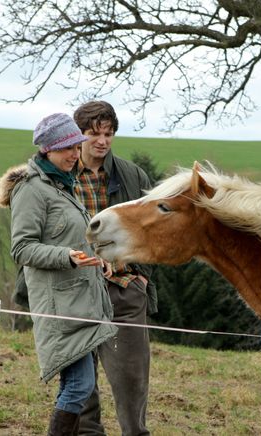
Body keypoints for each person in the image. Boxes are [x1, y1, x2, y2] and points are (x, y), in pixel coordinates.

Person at [0, 113, 117, 436]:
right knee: (79, 386)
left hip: (82, 302)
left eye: (76, 148)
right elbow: (22, 249)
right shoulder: (31, 189)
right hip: (59, 306)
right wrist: (67, 257)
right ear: (47, 150)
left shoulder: (64, 184)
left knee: (79, 385)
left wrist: (97, 259)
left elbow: (72, 238)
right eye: (67, 149)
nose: (74, 155)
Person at [73, 101, 156, 436]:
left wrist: (138, 275)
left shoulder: (132, 175)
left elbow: (152, 229)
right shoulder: (60, 174)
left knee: (132, 381)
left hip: (124, 290)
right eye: (94, 133)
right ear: (77, 135)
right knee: (80, 383)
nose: (102, 141)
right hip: (76, 291)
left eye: (108, 134)